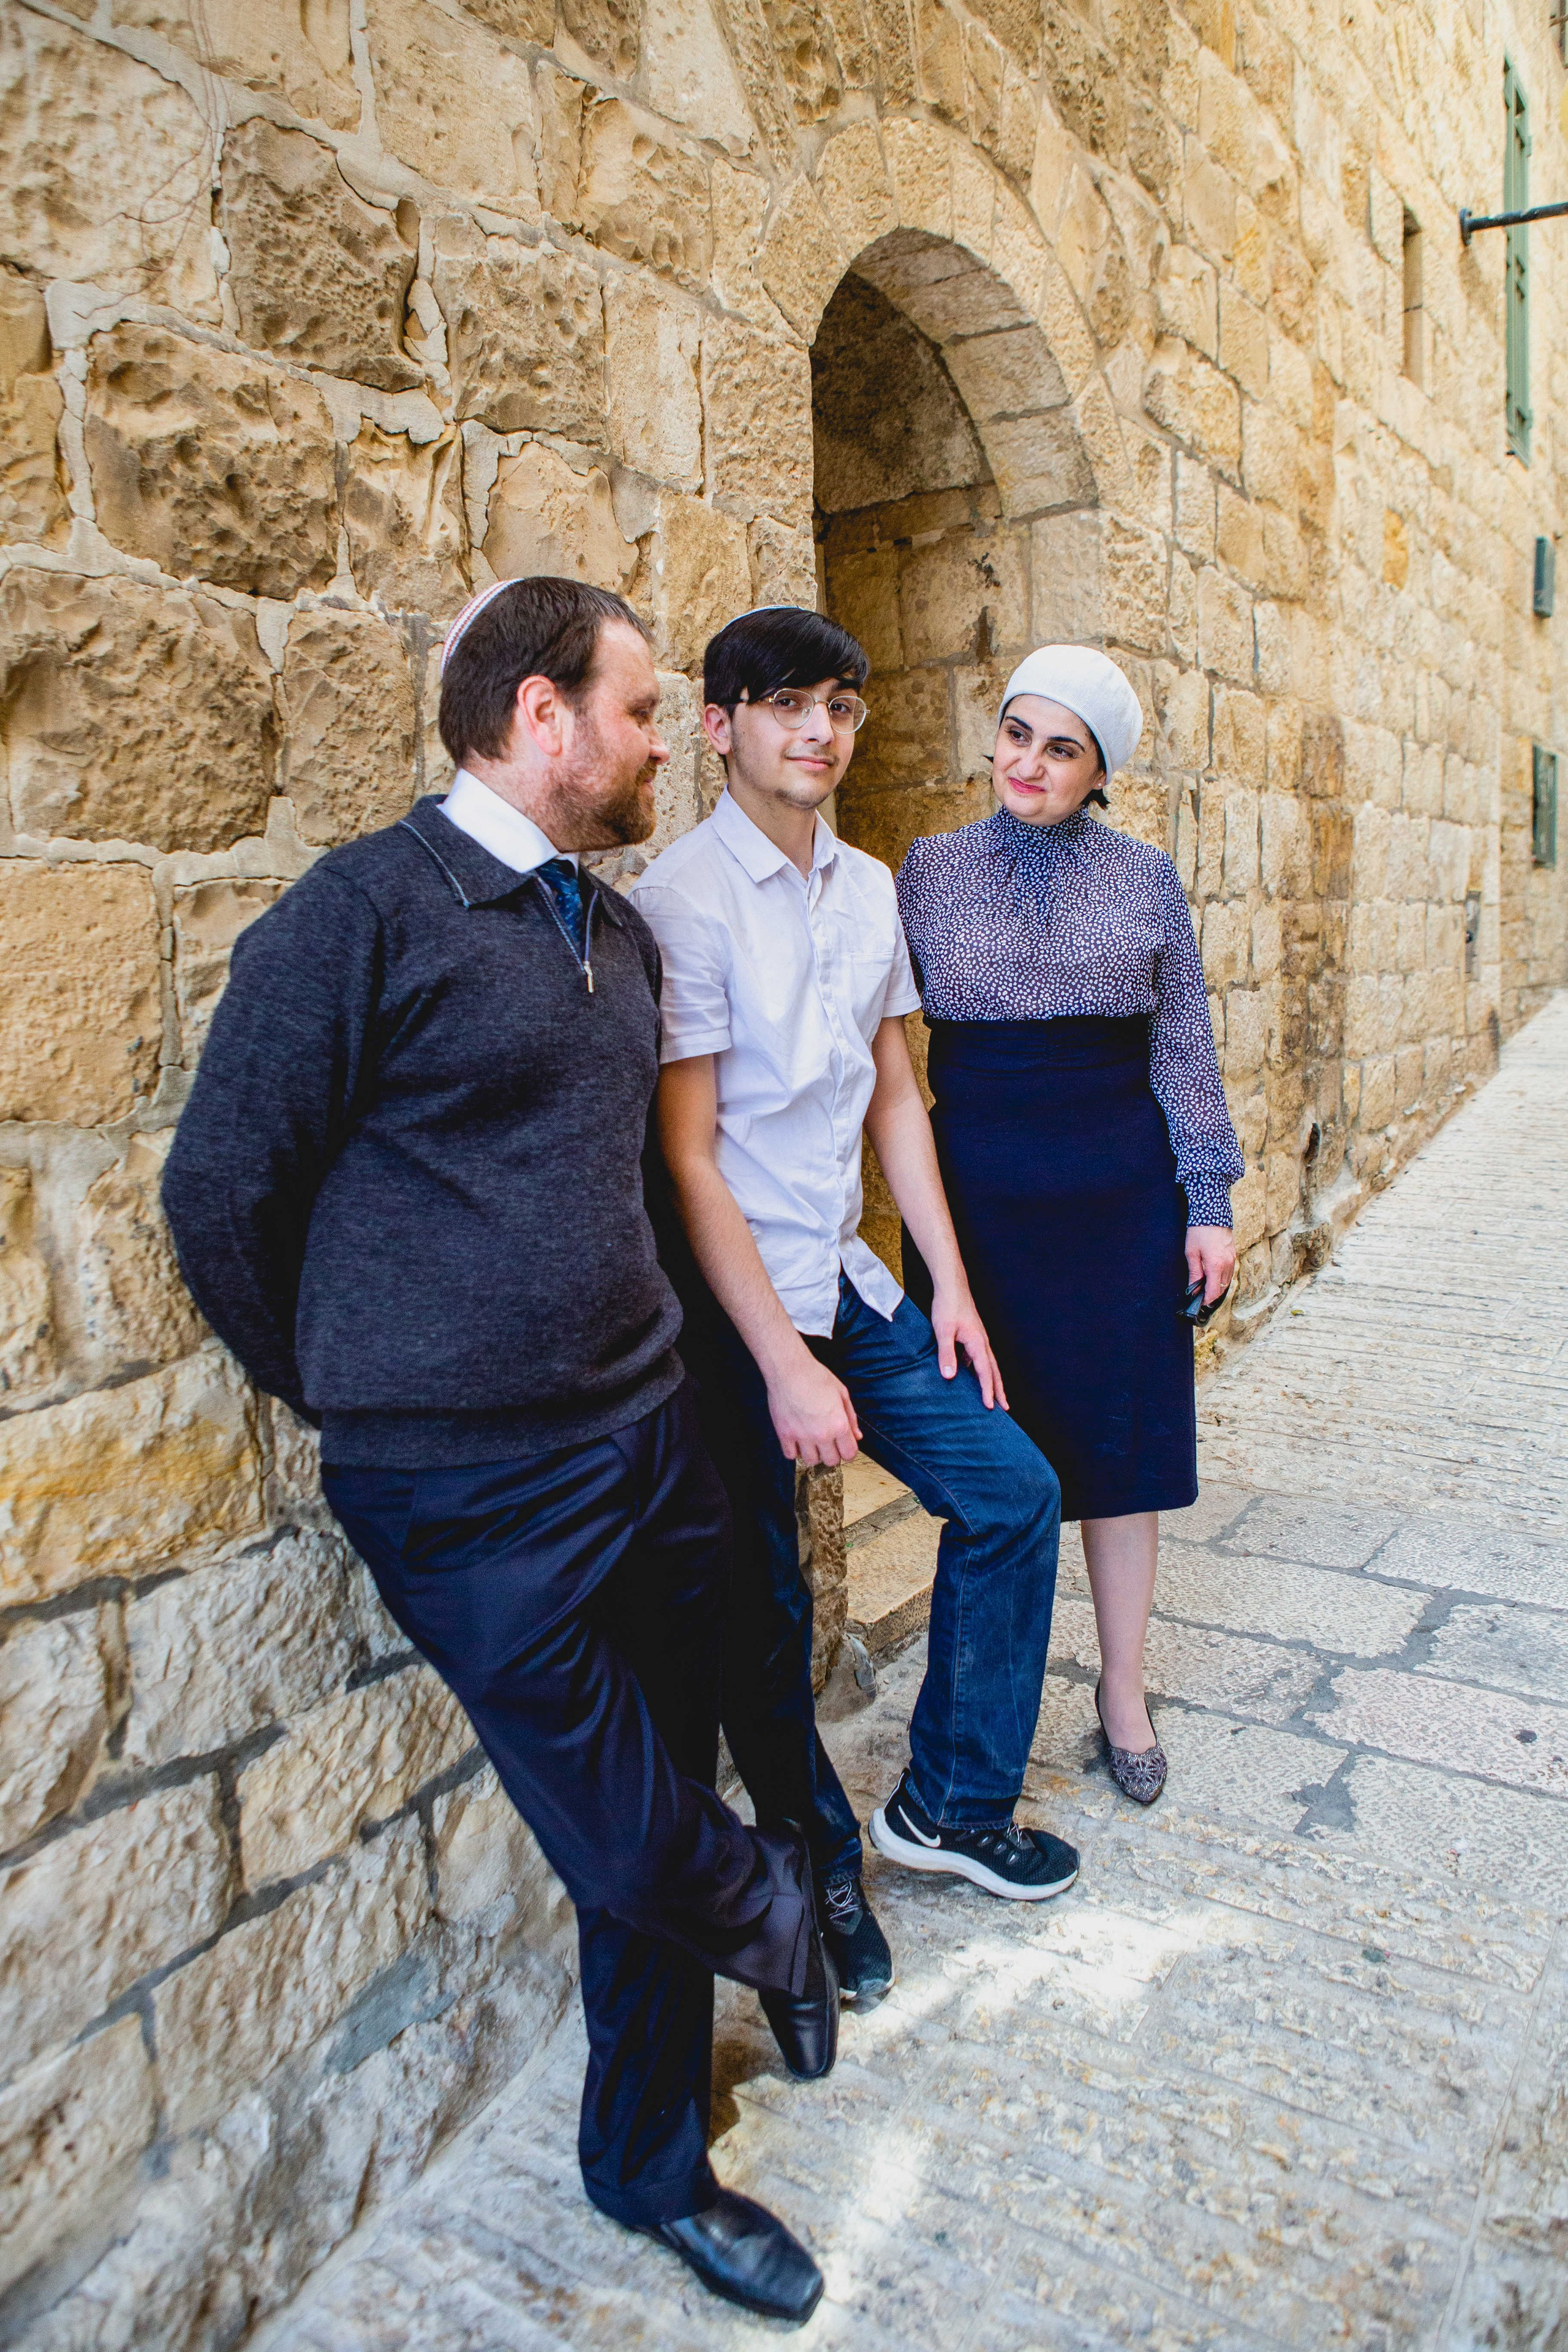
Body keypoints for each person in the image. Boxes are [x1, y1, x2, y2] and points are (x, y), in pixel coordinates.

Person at [160, 576, 840, 2328]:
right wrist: (367, 1394)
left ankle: (650, 2166)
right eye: (630, 714)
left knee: (653, 1801)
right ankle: (780, 1902)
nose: (644, 750)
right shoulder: (361, 914)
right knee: (633, 1821)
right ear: (541, 717)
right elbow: (226, 1196)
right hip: (460, 1486)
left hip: (645, 1436)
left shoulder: (618, 940)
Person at [630, 605, 1079, 1951]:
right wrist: (781, 1364)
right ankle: (814, 1866)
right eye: (781, 704)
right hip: (734, 1312)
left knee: (1011, 1492)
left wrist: (944, 1283)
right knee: (769, 1615)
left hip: (845, 1280)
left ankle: (944, 1806)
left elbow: (896, 1096)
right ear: (717, 729)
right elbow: (690, 1159)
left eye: (835, 704)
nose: (816, 730)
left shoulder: (870, 887)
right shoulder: (681, 904)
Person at [894, 644, 1244, 1807]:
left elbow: (1183, 1053)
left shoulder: (1146, 880)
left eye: (1061, 748)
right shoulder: (928, 870)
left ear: (1100, 772)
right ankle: (991, 1705)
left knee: (1121, 1457)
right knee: (999, 1459)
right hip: (980, 1205)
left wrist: (1209, 1206)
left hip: (1117, 1200)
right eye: (1016, 734)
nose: (1028, 762)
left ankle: (1123, 1693)